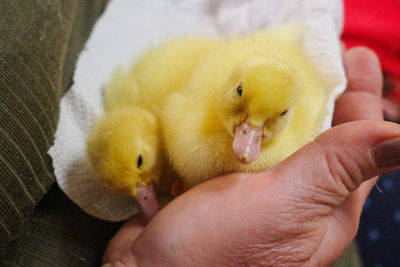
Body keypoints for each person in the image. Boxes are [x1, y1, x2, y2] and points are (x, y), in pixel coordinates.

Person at [101, 47, 400, 266]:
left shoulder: (288, 139)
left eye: (277, 115)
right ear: (232, 85)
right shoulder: (184, 118)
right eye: (240, 96)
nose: (247, 143)